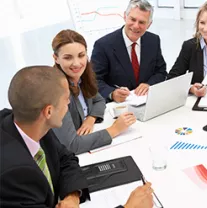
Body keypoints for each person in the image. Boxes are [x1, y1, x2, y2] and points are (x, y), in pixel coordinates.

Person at [0, 66, 154, 208]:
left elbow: (66, 158)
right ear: (48, 112)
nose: (69, 102)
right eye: (66, 99)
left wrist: (72, 196)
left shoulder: (32, 124)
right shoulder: (11, 176)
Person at [51, 29, 137, 155]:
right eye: (68, 58)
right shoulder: (56, 90)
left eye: (81, 55)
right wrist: (115, 129)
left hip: (90, 139)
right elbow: (72, 145)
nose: (77, 63)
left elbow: (99, 100)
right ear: (56, 58)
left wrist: (90, 119)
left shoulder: (83, 76)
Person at [91, 0, 167, 102]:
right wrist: (112, 93)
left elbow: (161, 71)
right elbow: (94, 80)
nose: (136, 26)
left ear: (149, 24)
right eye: (133, 19)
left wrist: (149, 84)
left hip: (146, 101)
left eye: (142, 22)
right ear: (125, 16)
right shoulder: (103, 45)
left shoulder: (153, 41)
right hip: (117, 106)